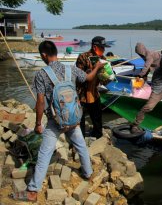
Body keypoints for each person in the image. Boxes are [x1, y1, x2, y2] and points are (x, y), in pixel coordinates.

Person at [13, 40, 103, 202]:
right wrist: (97, 68)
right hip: (74, 118)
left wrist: (38, 123)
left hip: (56, 121)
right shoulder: (70, 68)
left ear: (43, 55)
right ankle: (88, 173)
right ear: (56, 52)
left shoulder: (41, 74)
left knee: (44, 153)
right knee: (81, 145)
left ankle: (33, 191)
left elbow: (40, 102)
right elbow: (89, 78)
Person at [76, 36, 110, 138]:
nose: (103, 50)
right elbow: (79, 77)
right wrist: (93, 70)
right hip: (81, 93)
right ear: (95, 47)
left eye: (104, 48)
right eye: (102, 48)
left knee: (97, 119)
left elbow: (105, 82)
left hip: (94, 93)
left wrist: (108, 75)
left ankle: (98, 137)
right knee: (80, 119)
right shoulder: (83, 57)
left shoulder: (103, 59)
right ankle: (80, 141)